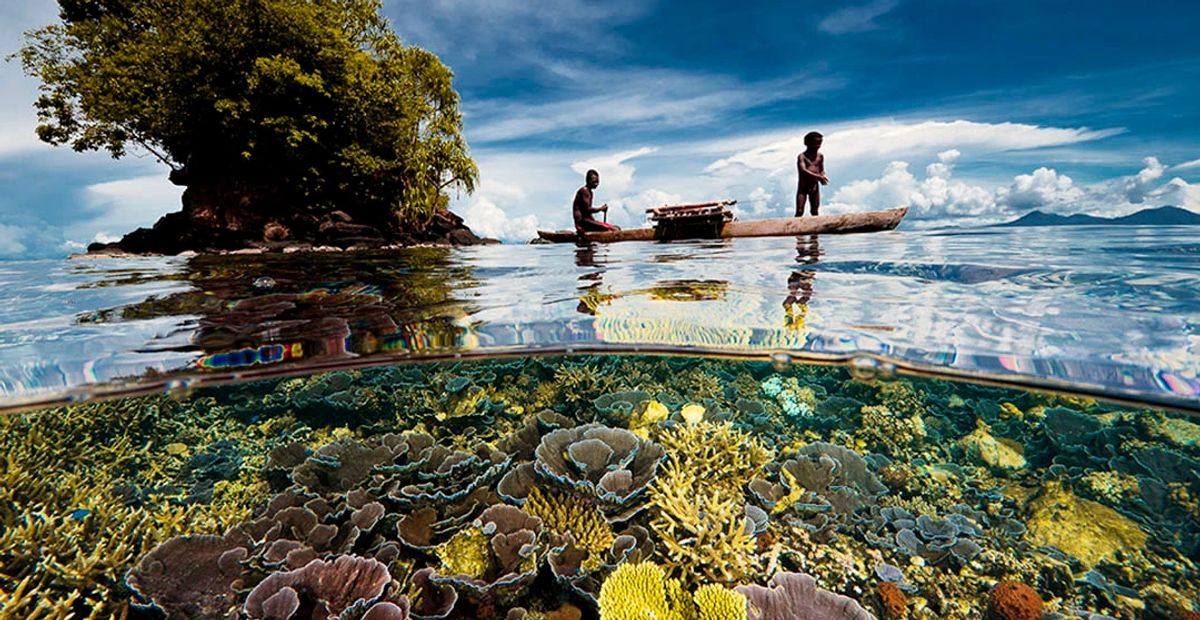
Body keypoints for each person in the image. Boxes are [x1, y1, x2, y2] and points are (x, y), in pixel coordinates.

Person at [796, 131, 828, 217]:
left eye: (819, 143)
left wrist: (822, 175)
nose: (818, 146)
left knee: (815, 211)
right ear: (807, 143)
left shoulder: (820, 156)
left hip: (814, 186)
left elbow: (821, 169)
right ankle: (794, 229)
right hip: (803, 187)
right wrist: (818, 176)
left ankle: (815, 230)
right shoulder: (802, 156)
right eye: (815, 143)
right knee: (799, 211)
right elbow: (803, 170)